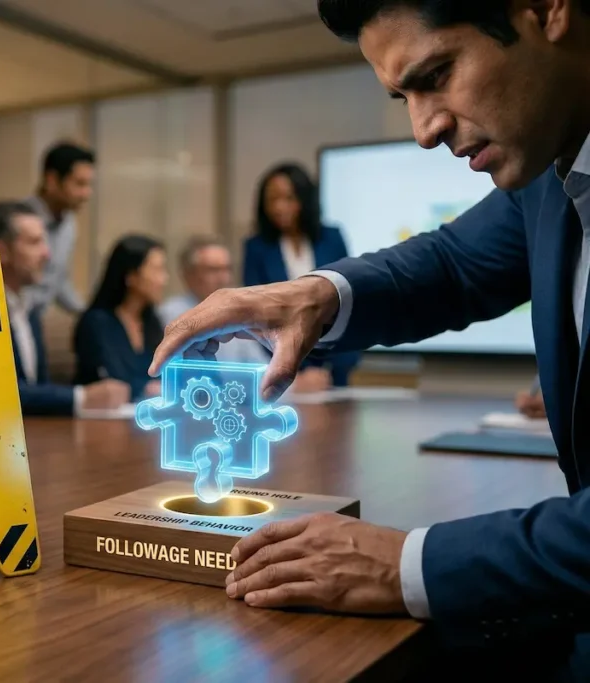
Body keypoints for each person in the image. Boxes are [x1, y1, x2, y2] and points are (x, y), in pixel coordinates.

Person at [148, 1, 590, 678]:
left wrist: (406, 562)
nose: (423, 129)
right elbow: (453, 263)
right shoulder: (549, 173)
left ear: (546, 9)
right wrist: (319, 294)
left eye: (437, 74)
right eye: (402, 96)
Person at [0, 201, 128, 416]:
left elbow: (38, 386)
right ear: (0, 252)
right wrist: (81, 397)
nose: (47, 254)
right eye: (35, 242)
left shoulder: (30, 308)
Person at [242, 162, 362, 389]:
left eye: (287, 199)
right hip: (282, 371)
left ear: (303, 199)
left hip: (335, 368)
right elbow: (255, 316)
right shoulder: (256, 248)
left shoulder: (332, 238)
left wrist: (334, 368)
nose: (279, 208)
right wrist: (292, 373)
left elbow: (349, 301)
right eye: (272, 200)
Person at [74, 235, 167, 401]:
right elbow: (112, 380)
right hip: (99, 418)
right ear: (131, 276)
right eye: (156, 270)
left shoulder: (152, 323)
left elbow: (164, 372)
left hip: (145, 416)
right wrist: (147, 388)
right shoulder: (97, 323)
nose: (163, 280)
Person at [158, 235, 270, 365]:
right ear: (189, 274)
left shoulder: (237, 313)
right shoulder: (170, 313)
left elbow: (261, 366)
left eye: (227, 269)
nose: (224, 278)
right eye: (213, 270)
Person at [23, 141, 95, 315]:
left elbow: (58, 280)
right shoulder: (18, 219)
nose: (87, 193)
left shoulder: (69, 226)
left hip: (35, 321)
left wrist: (88, 314)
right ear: (52, 180)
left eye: (88, 184)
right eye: (79, 184)